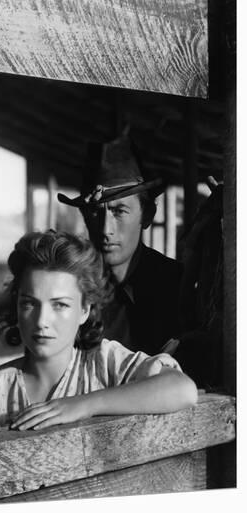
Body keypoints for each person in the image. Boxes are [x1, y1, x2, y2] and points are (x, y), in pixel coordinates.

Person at [0, 230, 196, 435]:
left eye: (60, 305)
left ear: (84, 310)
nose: (41, 321)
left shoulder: (105, 364)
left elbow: (181, 389)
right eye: (29, 303)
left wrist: (82, 405)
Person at [57, 135, 183, 355]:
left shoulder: (177, 284)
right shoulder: (71, 287)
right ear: (86, 216)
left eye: (119, 211)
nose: (106, 230)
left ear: (148, 215)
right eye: (96, 212)